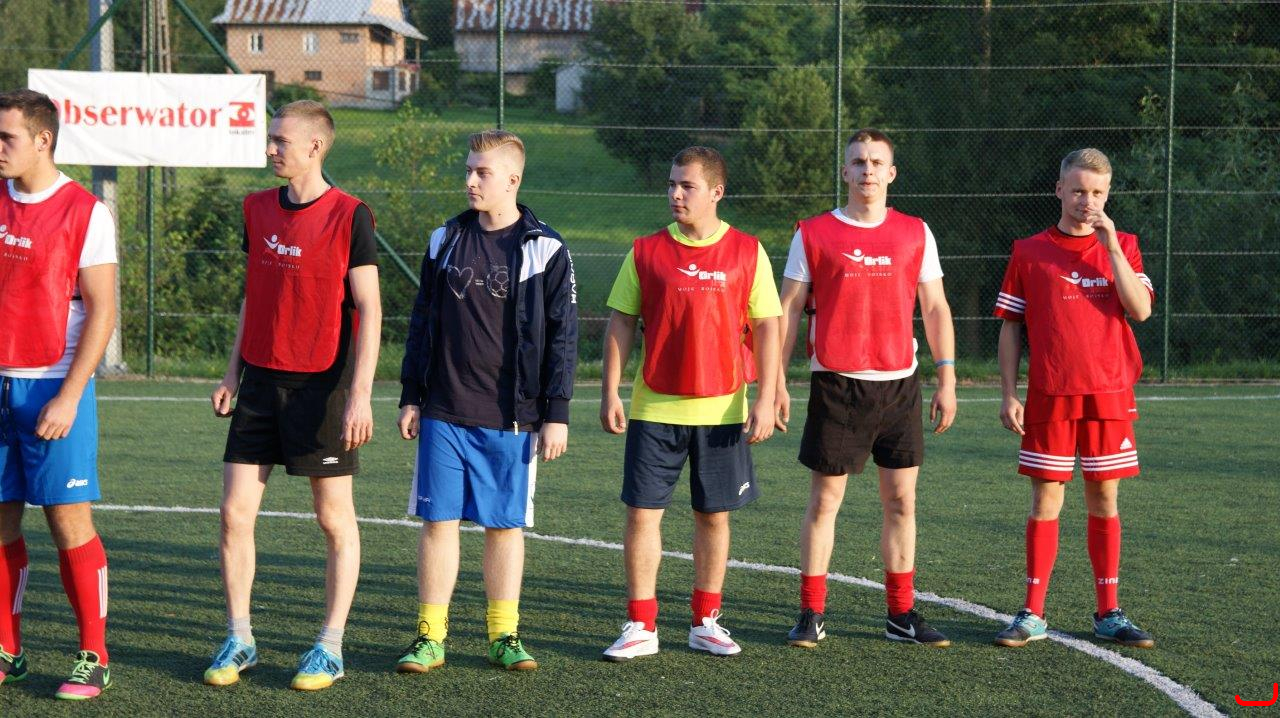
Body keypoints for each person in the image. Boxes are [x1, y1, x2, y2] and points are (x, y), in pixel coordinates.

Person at [205, 100, 381, 690]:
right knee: (234, 514)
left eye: (281, 140)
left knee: (333, 519)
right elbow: (252, 294)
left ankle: (330, 645)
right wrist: (231, 373)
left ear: (316, 147)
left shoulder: (351, 215)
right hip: (259, 381)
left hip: (322, 386)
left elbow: (370, 309)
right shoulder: (256, 208)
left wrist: (360, 394)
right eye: (270, 138)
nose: (271, 149)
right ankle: (240, 637)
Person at [395, 130, 577, 674]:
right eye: (469, 170)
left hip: (511, 416)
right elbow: (422, 320)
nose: (470, 181)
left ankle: (504, 635)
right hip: (443, 409)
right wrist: (411, 395)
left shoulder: (546, 248)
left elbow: (562, 335)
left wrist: (556, 413)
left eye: (483, 172)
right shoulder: (445, 238)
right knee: (438, 522)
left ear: (513, 180)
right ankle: (430, 637)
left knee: (504, 526)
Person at [777, 128, 957, 649]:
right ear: (845, 171)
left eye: (877, 162)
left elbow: (936, 307)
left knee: (901, 502)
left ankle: (900, 614)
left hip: (900, 384)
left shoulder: (915, 232)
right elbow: (788, 310)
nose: (868, 170)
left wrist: (946, 377)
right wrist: (776, 383)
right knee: (825, 501)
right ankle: (811, 612)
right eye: (858, 162)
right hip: (837, 383)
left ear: (891, 173)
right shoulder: (813, 233)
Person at [600, 146, 781, 661]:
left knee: (713, 517)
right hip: (654, 409)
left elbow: (768, 326)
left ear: (716, 192)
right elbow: (621, 321)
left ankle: (705, 621)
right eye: (672, 184)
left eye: (687, 186)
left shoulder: (748, 251)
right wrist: (611, 390)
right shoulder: (645, 251)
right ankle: (641, 625)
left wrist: (767, 397)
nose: (675, 194)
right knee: (642, 515)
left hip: (722, 411)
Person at [992, 148, 1155, 649]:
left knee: (1104, 498)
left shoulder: (1125, 245)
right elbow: (1011, 327)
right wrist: (1009, 392)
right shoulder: (1029, 250)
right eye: (1079, 190)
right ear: (1059, 190)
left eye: (1098, 192)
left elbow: (1141, 310)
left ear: (1108, 195)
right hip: (1051, 393)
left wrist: (1111, 249)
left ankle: (1109, 612)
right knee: (1046, 499)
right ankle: (1032, 613)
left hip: (1109, 394)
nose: (1088, 201)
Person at [0, 88, 118, 700]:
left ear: (43, 139)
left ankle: (94, 654)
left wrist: (70, 395)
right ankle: (7, 649)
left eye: (7, 138)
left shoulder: (85, 211)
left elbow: (102, 311)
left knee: (68, 521)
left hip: (52, 387)